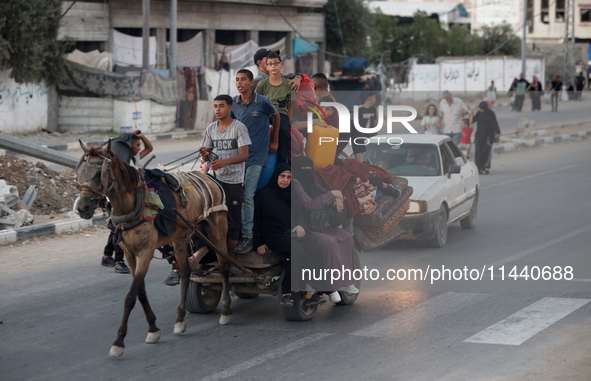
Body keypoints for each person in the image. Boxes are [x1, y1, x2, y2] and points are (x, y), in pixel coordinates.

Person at [253, 163, 327, 306]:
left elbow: (302, 215)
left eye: (288, 177)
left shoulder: (292, 196)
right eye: (282, 176)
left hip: (292, 233)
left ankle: (313, 290)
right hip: (273, 236)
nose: (285, 180)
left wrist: (301, 226)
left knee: (314, 247)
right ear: (276, 177)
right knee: (297, 251)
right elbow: (255, 221)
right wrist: (258, 243)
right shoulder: (264, 195)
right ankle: (287, 293)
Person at [291, 156, 359, 301]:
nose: (306, 172)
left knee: (346, 238)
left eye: (309, 168)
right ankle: (331, 286)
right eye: (303, 169)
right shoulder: (296, 183)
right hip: (308, 225)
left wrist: (338, 197)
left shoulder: (310, 181)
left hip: (322, 223)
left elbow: (327, 192)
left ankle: (347, 282)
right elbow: (309, 204)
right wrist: (332, 195)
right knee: (329, 243)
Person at [231, 69, 280, 255]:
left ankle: (248, 237)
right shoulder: (233, 104)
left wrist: (274, 140)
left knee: (247, 196)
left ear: (252, 83)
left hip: (256, 158)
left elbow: (275, 116)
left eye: (243, 79)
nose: (239, 82)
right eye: (237, 80)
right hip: (237, 158)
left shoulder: (263, 102)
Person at [200, 95, 251, 261]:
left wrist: (224, 162)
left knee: (233, 220)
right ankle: (215, 255)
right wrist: (205, 155)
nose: (217, 110)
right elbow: (206, 153)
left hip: (235, 181)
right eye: (215, 106)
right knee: (211, 217)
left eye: (221, 106)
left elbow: (244, 155)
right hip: (216, 180)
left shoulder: (239, 127)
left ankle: (233, 258)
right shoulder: (211, 128)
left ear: (230, 108)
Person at [102, 129, 153, 274]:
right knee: (121, 229)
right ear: (128, 146)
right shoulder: (119, 162)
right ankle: (119, 261)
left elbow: (150, 148)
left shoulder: (133, 158)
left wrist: (142, 136)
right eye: (137, 145)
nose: (139, 148)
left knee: (116, 228)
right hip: (117, 200)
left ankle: (107, 255)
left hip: (130, 198)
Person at [254, 51, 292, 165]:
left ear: (281, 65)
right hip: (266, 113)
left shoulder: (288, 84)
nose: (273, 66)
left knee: (284, 131)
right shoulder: (261, 84)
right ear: (266, 66)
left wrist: (290, 122)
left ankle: (282, 164)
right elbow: (257, 103)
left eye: (276, 63)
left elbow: (289, 105)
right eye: (270, 64)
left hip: (281, 113)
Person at [472, 101, 500, 175]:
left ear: (485, 108)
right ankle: (478, 168)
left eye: (481, 108)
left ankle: (483, 167)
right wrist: (471, 115)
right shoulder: (479, 113)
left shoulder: (491, 113)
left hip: (488, 136)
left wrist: (497, 133)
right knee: (478, 152)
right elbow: (473, 120)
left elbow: (495, 123)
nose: (480, 109)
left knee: (485, 152)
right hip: (479, 136)